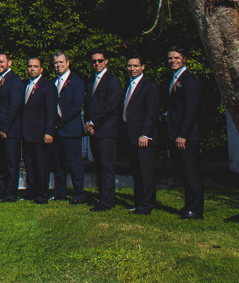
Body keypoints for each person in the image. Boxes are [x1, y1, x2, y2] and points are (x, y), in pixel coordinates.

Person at [165, 45, 203, 219]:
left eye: (176, 57)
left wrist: (183, 135)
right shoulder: (174, 78)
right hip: (176, 133)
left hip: (187, 136)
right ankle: (188, 205)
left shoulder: (189, 80)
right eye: (170, 58)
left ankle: (195, 210)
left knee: (192, 173)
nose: (173, 60)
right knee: (184, 173)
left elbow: (191, 109)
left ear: (184, 59)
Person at [84, 50, 122, 212]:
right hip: (94, 131)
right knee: (99, 166)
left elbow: (110, 106)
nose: (97, 64)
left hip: (106, 131)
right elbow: (88, 105)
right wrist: (87, 123)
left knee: (107, 166)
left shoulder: (112, 81)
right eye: (94, 61)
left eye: (100, 61)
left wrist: (93, 123)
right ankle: (103, 197)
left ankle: (107, 201)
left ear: (106, 61)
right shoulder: (92, 81)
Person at [122, 55, 158, 215]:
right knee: (137, 172)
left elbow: (151, 113)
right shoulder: (129, 85)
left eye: (135, 66)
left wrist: (146, 135)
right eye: (130, 66)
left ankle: (146, 205)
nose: (132, 69)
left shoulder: (149, 86)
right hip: (131, 136)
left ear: (143, 67)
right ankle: (138, 203)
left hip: (143, 137)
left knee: (146, 173)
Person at [50, 50, 85, 204]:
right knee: (58, 165)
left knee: (74, 164)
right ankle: (59, 192)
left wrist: (59, 123)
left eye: (61, 62)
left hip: (70, 130)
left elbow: (76, 106)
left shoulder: (76, 82)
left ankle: (78, 194)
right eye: (56, 63)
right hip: (55, 132)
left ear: (68, 63)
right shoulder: (52, 83)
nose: (58, 65)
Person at [21, 57, 56, 204]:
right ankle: (32, 190)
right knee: (29, 164)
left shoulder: (48, 86)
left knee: (41, 165)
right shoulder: (24, 85)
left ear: (41, 69)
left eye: (35, 66)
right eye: (30, 66)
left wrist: (49, 132)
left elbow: (51, 112)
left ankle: (42, 193)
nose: (32, 69)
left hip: (41, 133)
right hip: (26, 133)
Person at [0, 52, 23, 202]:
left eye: (2, 62)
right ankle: (1, 190)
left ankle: (10, 193)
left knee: (11, 163)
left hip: (10, 130)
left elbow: (14, 106)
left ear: (9, 63)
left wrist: (5, 128)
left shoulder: (14, 81)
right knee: (2, 162)